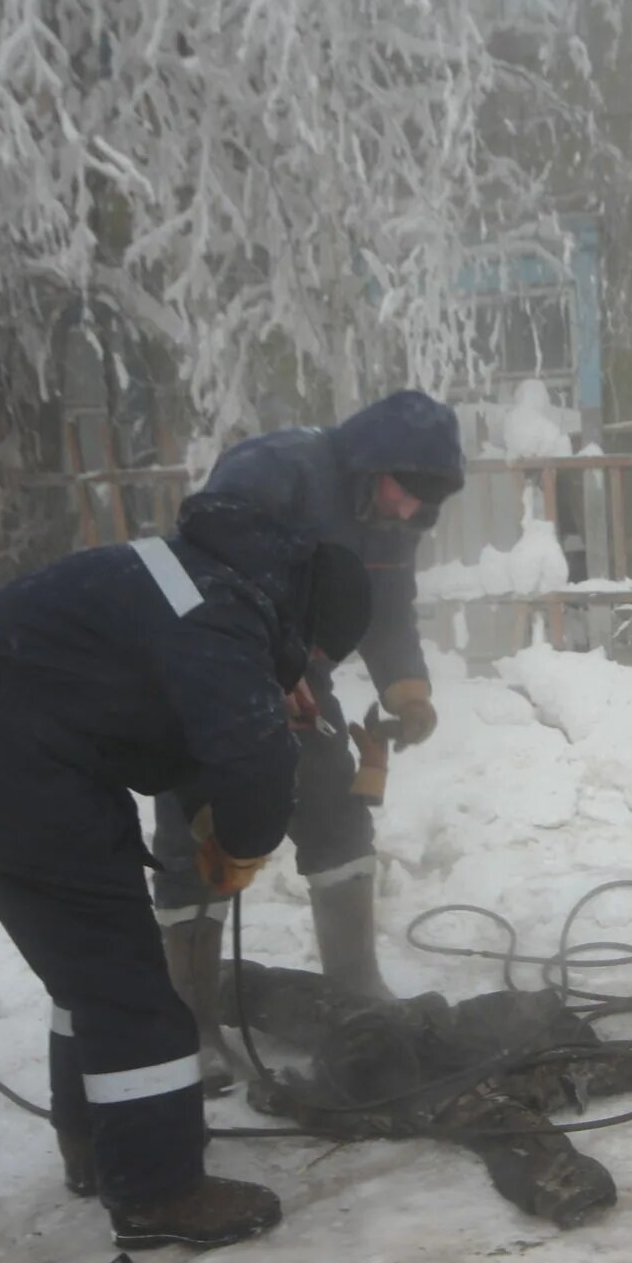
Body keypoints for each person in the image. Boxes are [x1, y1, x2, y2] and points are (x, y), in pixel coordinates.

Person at [0, 494, 373, 1250]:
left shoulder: (201, 578)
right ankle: (160, 1192)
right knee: (131, 991)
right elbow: (249, 751)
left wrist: (264, 693)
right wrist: (241, 844)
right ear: (306, 617)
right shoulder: (221, 613)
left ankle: (100, 1148)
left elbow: (179, 709)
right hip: (12, 765)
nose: (310, 674)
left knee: (91, 972)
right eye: (317, 656)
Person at [151, 390, 464, 1089]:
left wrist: (405, 686)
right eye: (405, 490)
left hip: (300, 677)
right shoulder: (274, 470)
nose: (409, 509)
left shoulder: (391, 515)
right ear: (373, 460)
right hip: (209, 670)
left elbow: (387, 606)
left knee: (335, 808)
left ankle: (355, 985)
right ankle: (192, 1024)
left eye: (424, 502)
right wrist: (261, 666)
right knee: (195, 833)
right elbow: (207, 575)